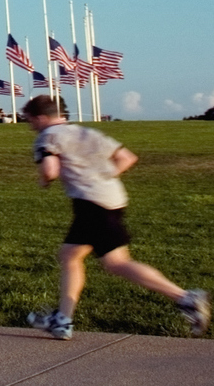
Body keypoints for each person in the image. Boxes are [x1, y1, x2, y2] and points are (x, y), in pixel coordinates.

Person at [21, 95, 208, 340]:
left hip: (92, 205)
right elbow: (127, 158)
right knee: (70, 254)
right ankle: (63, 320)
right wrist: (102, 177)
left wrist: (44, 180)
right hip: (112, 200)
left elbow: (50, 170)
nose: (30, 126)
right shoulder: (87, 133)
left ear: (41, 118)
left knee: (116, 263)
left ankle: (186, 298)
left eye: (30, 120)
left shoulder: (47, 137)